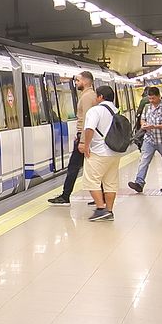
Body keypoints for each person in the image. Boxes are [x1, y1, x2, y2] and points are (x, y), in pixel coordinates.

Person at [49, 71, 99, 205]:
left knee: (73, 167)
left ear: (86, 81)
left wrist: (83, 141)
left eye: (78, 80)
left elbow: (88, 120)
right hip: (86, 138)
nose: (76, 83)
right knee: (91, 168)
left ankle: (65, 196)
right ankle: (100, 196)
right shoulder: (88, 95)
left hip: (85, 138)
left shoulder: (87, 97)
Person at [80, 85, 123, 221]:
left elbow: (89, 129)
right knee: (110, 183)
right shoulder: (116, 110)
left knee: (92, 180)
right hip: (114, 152)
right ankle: (109, 211)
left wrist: (86, 146)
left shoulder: (95, 111)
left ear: (100, 97)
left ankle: (100, 208)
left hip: (98, 151)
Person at [128, 86, 162, 194]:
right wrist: (144, 125)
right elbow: (142, 119)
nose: (151, 101)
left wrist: (154, 126)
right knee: (143, 161)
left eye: (153, 98)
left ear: (159, 96)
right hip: (149, 139)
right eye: (150, 98)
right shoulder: (147, 107)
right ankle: (139, 183)